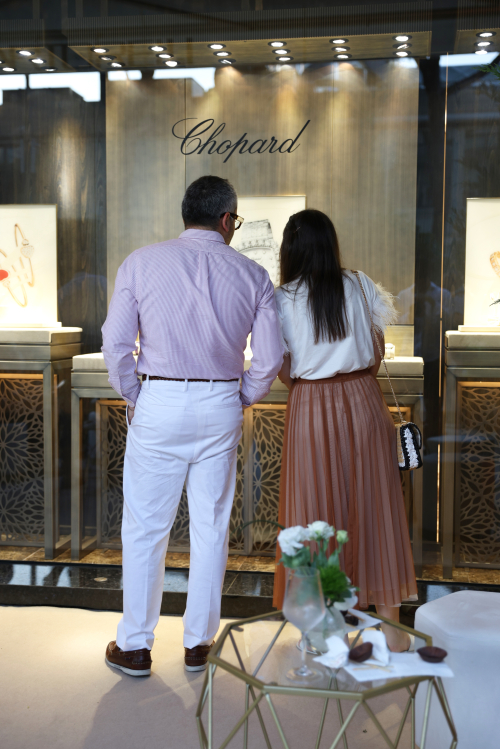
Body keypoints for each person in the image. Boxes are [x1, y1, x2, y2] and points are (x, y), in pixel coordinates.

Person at [102, 175, 284, 676]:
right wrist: (242, 395)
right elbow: (269, 358)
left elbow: (115, 343)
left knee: (145, 527)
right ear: (226, 219)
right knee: (211, 525)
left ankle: (135, 646)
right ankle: (199, 644)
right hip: (220, 400)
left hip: (158, 398)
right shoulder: (253, 274)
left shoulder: (141, 262)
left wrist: (135, 394)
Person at [272, 209, 417, 652]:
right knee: (376, 508)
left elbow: (281, 367)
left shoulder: (282, 299)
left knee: (314, 513)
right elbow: (377, 350)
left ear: (289, 250)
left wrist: (311, 382)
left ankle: (322, 630)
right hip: (364, 400)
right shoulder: (358, 283)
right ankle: (392, 629)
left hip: (310, 407)